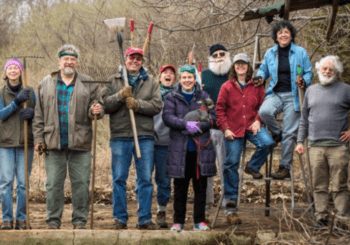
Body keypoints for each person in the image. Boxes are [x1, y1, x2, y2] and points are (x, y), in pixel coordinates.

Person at [32, 44, 104, 229]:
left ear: (77, 62)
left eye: (72, 59)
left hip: (80, 144)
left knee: (81, 184)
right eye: (66, 58)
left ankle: (79, 221)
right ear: (59, 61)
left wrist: (96, 109)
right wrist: (39, 139)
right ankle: (53, 221)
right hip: (53, 143)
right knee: (53, 185)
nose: (69, 62)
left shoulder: (88, 83)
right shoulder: (45, 83)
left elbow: (97, 106)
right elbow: (38, 115)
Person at [102, 47, 162, 230]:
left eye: (138, 59)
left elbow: (157, 105)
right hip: (120, 136)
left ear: (141, 61)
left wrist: (137, 105)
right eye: (131, 58)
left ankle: (144, 219)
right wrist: (120, 96)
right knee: (119, 178)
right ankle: (120, 218)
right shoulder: (114, 80)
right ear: (125, 59)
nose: (135, 61)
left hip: (144, 136)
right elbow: (104, 105)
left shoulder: (151, 82)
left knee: (145, 178)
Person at [216, 53, 274, 225]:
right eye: (237, 64)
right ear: (234, 67)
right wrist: (225, 129)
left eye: (244, 64)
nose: (240, 67)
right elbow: (219, 110)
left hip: (251, 126)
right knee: (231, 163)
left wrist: (258, 120)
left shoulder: (256, 86)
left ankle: (252, 166)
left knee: (268, 143)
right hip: (233, 129)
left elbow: (263, 106)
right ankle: (231, 206)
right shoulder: (226, 86)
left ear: (249, 67)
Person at [295, 55, 350, 226]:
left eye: (330, 69)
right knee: (318, 184)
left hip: (338, 146)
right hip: (314, 146)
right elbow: (304, 119)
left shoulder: (346, 89)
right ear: (318, 70)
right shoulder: (311, 90)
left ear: (336, 72)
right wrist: (299, 141)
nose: (327, 71)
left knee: (340, 183)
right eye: (324, 68)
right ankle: (321, 216)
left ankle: (342, 217)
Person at [163, 64, 216, 232]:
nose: (187, 80)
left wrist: (200, 126)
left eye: (190, 77)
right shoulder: (172, 97)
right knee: (180, 187)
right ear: (180, 78)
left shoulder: (204, 96)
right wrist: (186, 124)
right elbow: (168, 117)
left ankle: (199, 221)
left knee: (200, 187)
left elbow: (213, 117)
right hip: (180, 151)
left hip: (201, 151)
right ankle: (178, 221)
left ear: (195, 79)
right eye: (184, 77)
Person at [257, 20, 313, 179]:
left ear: (291, 35)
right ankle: (277, 133)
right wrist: (260, 78)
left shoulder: (300, 52)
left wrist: (305, 81)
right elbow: (263, 71)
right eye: (280, 32)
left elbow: (309, 73)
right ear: (276, 36)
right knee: (264, 111)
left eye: (286, 32)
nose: (283, 35)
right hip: (275, 93)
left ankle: (284, 167)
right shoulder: (270, 53)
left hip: (293, 96)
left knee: (290, 133)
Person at [0, 58, 35, 230]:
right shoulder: (0, 93)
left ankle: (21, 218)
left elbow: (38, 114)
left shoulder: (29, 92)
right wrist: (15, 103)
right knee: (6, 182)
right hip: (5, 144)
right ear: (5, 73)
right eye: (10, 68)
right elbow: (1, 114)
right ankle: (6, 219)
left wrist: (31, 113)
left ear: (21, 72)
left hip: (25, 143)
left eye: (16, 68)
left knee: (23, 184)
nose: (13, 70)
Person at [202, 43, 232, 210]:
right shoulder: (204, 75)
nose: (219, 57)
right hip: (207, 127)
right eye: (215, 55)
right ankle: (207, 201)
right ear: (211, 58)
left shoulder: (233, 75)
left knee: (226, 166)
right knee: (206, 166)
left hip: (227, 129)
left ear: (227, 55)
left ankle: (228, 200)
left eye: (222, 53)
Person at [153, 64, 176, 228]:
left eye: (171, 73)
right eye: (165, 73)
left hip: (167, 143)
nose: (168, 75)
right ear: (159, 77)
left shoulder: (177, 95)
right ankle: (143, 213)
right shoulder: (151, 92)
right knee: (144, 179)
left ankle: (161, 211)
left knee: (164, 180)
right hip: (147, 140)